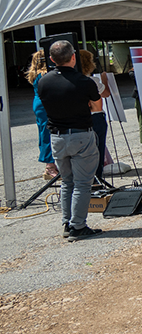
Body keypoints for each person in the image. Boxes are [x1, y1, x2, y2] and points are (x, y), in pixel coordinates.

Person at [36, 40, 102, 241]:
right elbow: (97, 107)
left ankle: (67, 222)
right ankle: (78, 226)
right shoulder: (84, 81)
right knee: (83, 183)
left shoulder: (43, 81)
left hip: (57, 137)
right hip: (81, 135)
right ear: (73, 57)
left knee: (67, 182)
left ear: (51, 59)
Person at [79, 50, 111, 181]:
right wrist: (105, 80)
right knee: (97, 150)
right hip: (96, 117)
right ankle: (97, 179)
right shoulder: (93, 80)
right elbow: (106, 93)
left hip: (80, 119)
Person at [26, 51, 57, 179]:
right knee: (48, 133)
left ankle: (49, 165)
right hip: (46, 104)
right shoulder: (45, 74)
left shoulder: (35, 74)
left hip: (38, 103)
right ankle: (50, 166)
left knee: (43, 132)